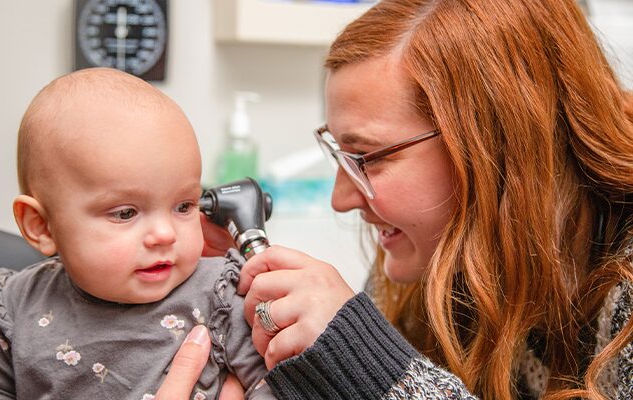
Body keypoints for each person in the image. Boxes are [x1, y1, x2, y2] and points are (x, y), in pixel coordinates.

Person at [223, 0, 633, 399]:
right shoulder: (440, 259)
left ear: (497, 150)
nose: (341, 199)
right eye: (342, 157)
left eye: (367, 158)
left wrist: (369, 360)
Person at [0, 68, 273, 399]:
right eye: (126, 213)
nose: (164, 234)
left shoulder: (221, 296)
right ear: (41, 226)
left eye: (184, 205)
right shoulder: (19, 303)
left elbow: (273, 382)